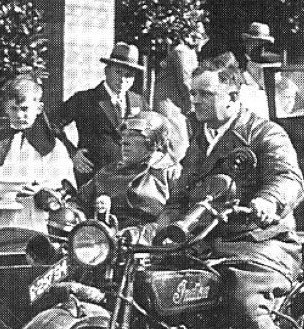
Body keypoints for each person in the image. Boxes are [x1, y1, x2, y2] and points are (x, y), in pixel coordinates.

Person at [156, 55, 304, 329]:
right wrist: (164, 224)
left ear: (233, 95)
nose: (196, 101)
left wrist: (268, 202)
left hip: (260, 242)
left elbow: (288, 178)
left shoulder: (264, 133)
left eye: (205, 93)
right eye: (193, 93)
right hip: (208, 242)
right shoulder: (199, 137)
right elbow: (182, 192)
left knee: (242, 296)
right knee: (155, 288)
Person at [0, 75, 76, 237]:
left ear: (38, 108)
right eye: (13, 109)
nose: (19, 115)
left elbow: (63, 182)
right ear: (6, 108)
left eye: (24, 108)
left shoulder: (52, 146)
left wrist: (42, 192)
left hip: (31, 218)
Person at [54, 42, 145, 186]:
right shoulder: (85, 99)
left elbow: (151, 134)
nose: (123, 80)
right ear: (107, 70)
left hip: (127, 179)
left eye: (129, 75)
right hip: (92, 175)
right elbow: (52, 124)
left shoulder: (138, 102)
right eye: (118, 72)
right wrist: (72, 152)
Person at [77, 111, 181, 229]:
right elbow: (79, 202)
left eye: (133, 135)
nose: (124, 142)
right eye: (124, 135)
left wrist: (150, 232)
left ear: (153, 143)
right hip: (103, 240)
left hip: (149, 243)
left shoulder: (171, 172)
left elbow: (177, 210)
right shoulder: (108, 171)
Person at [153, 22, 208, 163]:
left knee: (182, 142)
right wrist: (193, 105)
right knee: (176, 144)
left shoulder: (190, 53)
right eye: (200, 35)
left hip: (177, 103)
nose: (202, 40)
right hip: (168, 103)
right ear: (191, 36)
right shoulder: (181, 51)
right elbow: (185, 81)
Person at [238, 22, 282, 119]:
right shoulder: (239, 68)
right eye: (255, 42)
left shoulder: (274, 67)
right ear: (247, 44)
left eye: (264, 43)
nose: (260, 46)